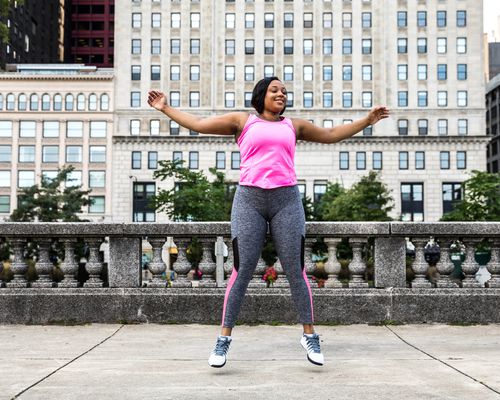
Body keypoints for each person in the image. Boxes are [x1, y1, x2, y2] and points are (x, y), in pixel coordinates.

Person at [148, 77, 389, 368]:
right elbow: (198, 124)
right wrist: (165, 108)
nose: (281, 94)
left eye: (285, 91)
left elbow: (332, 133)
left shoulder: (293, 125)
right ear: (261, 95)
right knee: (242, 269)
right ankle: (223, 340)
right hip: (249, 199)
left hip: (286, 199)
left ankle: (309, 334)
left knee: (296, 270)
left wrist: (366, 120)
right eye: (275, 90)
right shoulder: (242, 121)